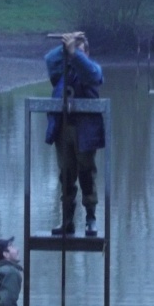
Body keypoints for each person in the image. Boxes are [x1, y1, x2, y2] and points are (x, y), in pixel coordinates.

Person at [45, 32, 105, 236]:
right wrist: (64, 45)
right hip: (63, 129)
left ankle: (90, 218)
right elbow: (49, 60)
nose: (74, 55)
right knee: (66, 175)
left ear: (87, 53)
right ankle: (67, 220)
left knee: (86, 174)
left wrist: (76, 53)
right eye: (72, 51)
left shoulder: (92, 70)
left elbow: (92, 74)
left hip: (86, 131)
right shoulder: (61, 72)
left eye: (80, 51)